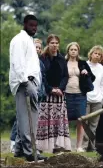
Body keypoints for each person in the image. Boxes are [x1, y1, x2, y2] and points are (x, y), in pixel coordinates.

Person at [9, 14, 46, 161]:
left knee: (24, 118)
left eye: (36, 26)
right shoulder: (19, 40)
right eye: (31, 25)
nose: (34, 28)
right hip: (24, 83)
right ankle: (30, 152)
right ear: (24, 24)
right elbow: (17, 63)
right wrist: (25, 82)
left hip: (32, 83)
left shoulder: (29, 40)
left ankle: (19, 149)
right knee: (27, 119)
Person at [36, 34, 71, 153]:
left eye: (56, 43)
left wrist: (60, 88)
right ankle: (43, 147)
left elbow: (66, 76)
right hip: (47, 94)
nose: (54, 45)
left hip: (59, 96)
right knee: (46, 121)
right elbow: (41, 76)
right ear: (48, 44)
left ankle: (57, 145)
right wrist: (50, 89)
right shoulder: (43, 58)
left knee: (58, 121)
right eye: (52, 43)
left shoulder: (62, 59)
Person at [65, 42, 95, 152]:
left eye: (75, 49)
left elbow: (92, 77)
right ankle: (66, 145)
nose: (73, 51)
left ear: (78, 51)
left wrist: (86, 73)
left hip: (80, 94)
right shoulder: (63, 62)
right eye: (71, 49)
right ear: (68, 51)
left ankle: (79, 146)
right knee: (64, 121)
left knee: (81, 120)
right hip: (66, 94)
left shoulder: (82, 63)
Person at [85, 45, 103, 151]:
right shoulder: (85, 65)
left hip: (98, 99)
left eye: (99, 54)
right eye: (96, 53)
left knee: (93, 125)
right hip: (86, 98)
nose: (97, 56)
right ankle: (83, 146)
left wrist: (102, 96)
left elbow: (102, 84)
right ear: (91, 54)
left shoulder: (101, 68)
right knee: (84, 123)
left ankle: (91, 146)